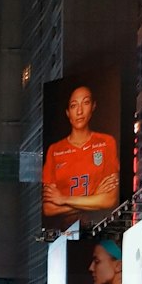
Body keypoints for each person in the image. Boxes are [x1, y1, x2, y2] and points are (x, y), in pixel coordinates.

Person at [41, 85, 121, 233]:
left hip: (99, 226)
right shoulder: (55, 150)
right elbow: (48, 208)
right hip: (66, 232)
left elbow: (110, 200)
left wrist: (63, 199)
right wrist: (94, 198)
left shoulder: (106, 142)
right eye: (73, 105)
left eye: (85, 103)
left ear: (93, 106)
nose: (79, 111)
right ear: (67, 112)